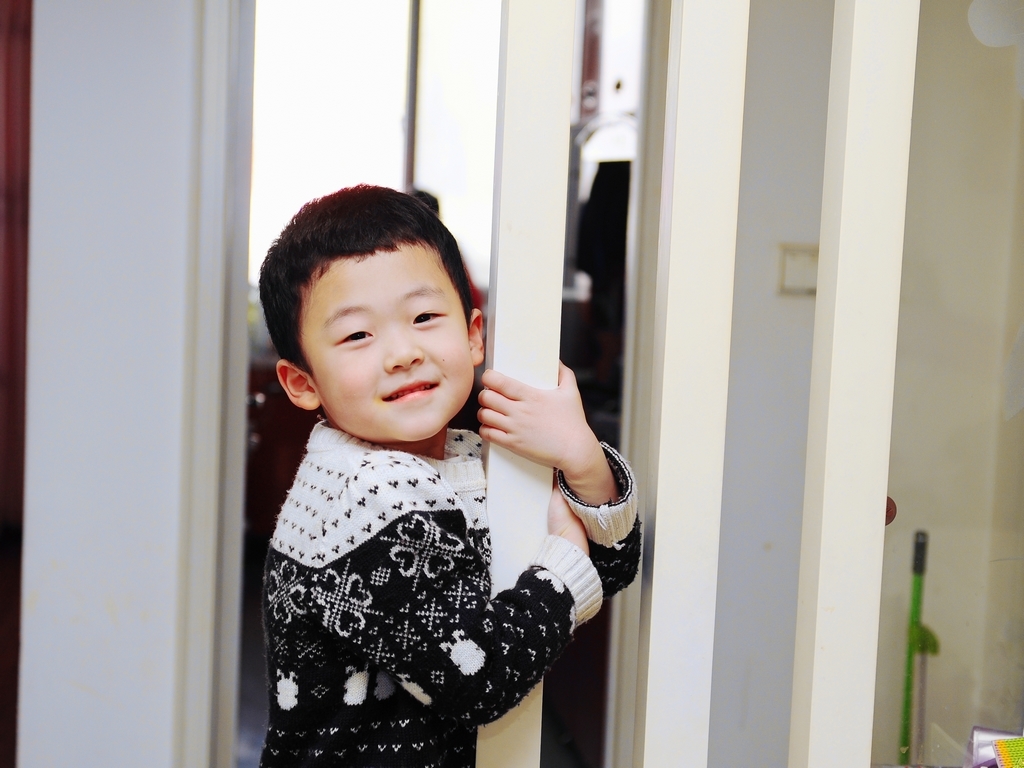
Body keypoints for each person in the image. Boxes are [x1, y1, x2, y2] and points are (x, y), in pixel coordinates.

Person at [257, 185, 641, 767]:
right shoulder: (365, 494)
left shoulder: (469, 460)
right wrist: (563, 559)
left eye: (424, 317)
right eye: (358, 335)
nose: (402, 353)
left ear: (472, 335)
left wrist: (582, 458)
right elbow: (475, 681)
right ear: (302, 383)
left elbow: (610, 567)